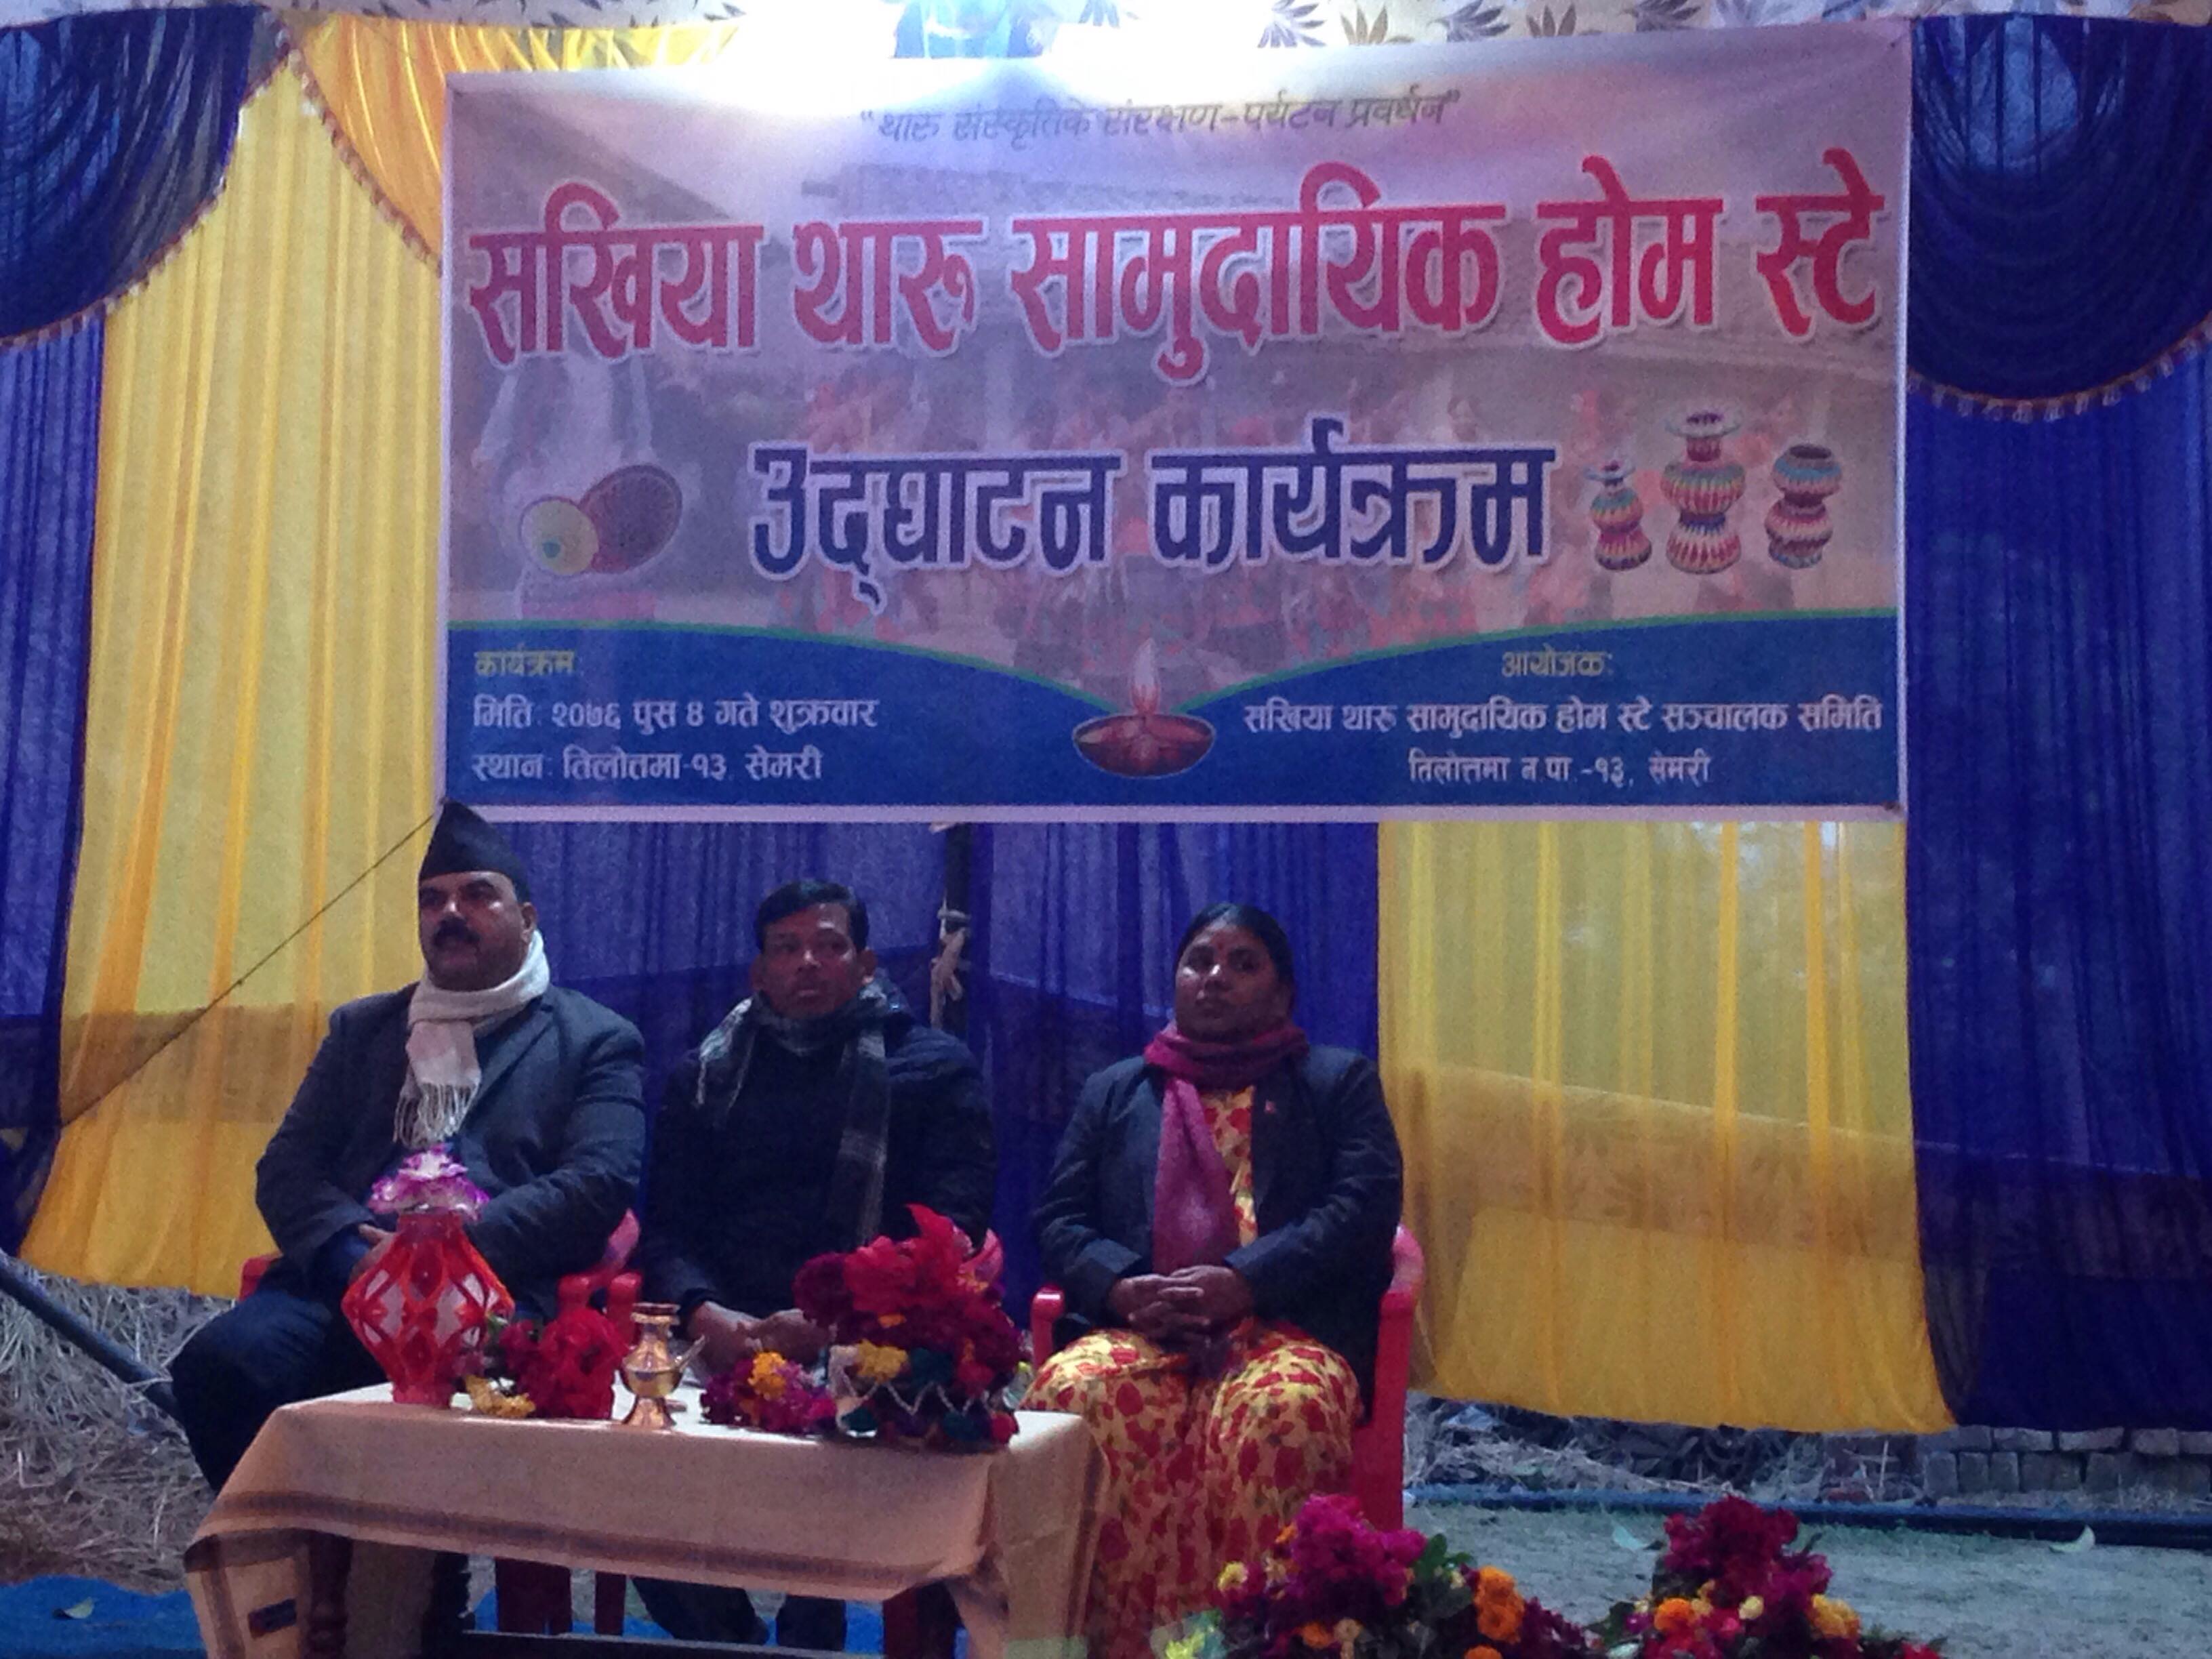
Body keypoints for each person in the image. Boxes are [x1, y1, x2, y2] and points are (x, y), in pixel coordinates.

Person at [168, 801, 647, 1490]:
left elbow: (599, 1183)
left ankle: (408, 1558)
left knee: (448, 1396)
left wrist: (437, 1253)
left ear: (527, 918)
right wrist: (353, 1256)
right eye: (433, 900)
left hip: (495, 1294)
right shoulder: (364, 1030)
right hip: (351, 1287)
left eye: (477, 895)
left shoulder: (593, 1039)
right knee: (223, 1364)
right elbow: (287, 1167)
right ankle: (289, 1548)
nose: (451, 913)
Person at [1029, 902, 1404, 1659]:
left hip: (1285, 1330)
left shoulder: (1336, 1083)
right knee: (1072, 1398)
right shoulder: (1118, 1091)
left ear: (1283, 992)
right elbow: (1060, 1220)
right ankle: (1068, 1648)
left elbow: (1363, 1207)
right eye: (1199, 960)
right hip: (1143, 1329)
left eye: (1242, 964)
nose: (1215, 978)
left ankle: (1266, 1647)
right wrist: (1124, 1287)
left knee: (1283, 1415)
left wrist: (1246, 1280)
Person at [634, 878, 995, 1650]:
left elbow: (953, 1228)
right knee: (626, 1481)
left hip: (873, 1343)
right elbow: (664, 1230)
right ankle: (729, 1640)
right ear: (758, 972)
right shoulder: (707, 1074)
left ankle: (813, 1630)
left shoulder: (934, 1070)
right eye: (787, 948)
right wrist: (703, 1312)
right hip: (722, 1341)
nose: (808, 963)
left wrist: (836, 1322)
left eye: (830, 946)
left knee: (897, 1450)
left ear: (865, 965)